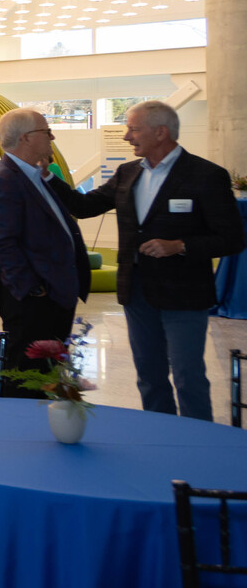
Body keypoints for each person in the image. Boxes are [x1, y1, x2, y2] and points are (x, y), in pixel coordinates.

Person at [51, 100, 245, 420]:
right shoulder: (128, 173)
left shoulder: (206, 175)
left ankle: (198, 440)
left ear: (160, 132)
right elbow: (84, 207)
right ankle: (160, 435)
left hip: (184, 294)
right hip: (137, 291)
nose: (126, 136)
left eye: (133, 129)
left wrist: (180, 245)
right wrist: (47, 176)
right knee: (149, 376)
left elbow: (232, 238)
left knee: (188, 376)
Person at [0, 109, 90, 396]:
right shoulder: (4, 179)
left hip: (53, 294)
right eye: (46, 131)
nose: (52, 137)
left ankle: (43, 420)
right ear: (26, 137)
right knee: (26, 379)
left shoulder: (34, 175)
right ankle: (20, 423)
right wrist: (33, 289)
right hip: (34, 301)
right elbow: (2, 243)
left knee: (46, 377)